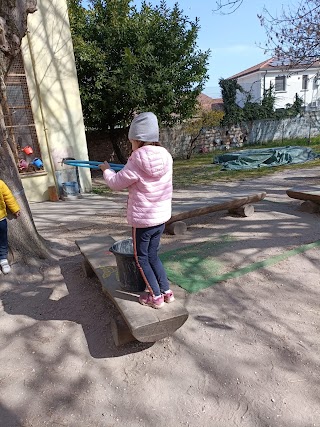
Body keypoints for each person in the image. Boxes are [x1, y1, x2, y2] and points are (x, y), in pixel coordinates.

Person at [99, 112, 174, 309]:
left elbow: (116, 183)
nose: (130, 144)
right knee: (153, 256)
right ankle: (167, 291)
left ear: (138, 140)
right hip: (160, 219)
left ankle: (155, 297)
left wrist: (106, 170)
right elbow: (139, 176)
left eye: (131, 140)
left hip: (143, 221)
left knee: (141, 259)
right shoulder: (166, 156)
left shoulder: (136, 159)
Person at [0, 180, 20, 274]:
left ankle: (3, 260)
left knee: (3, 240)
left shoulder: (0, 183)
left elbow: (8, 197)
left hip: (0, 219)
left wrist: (15, 209)